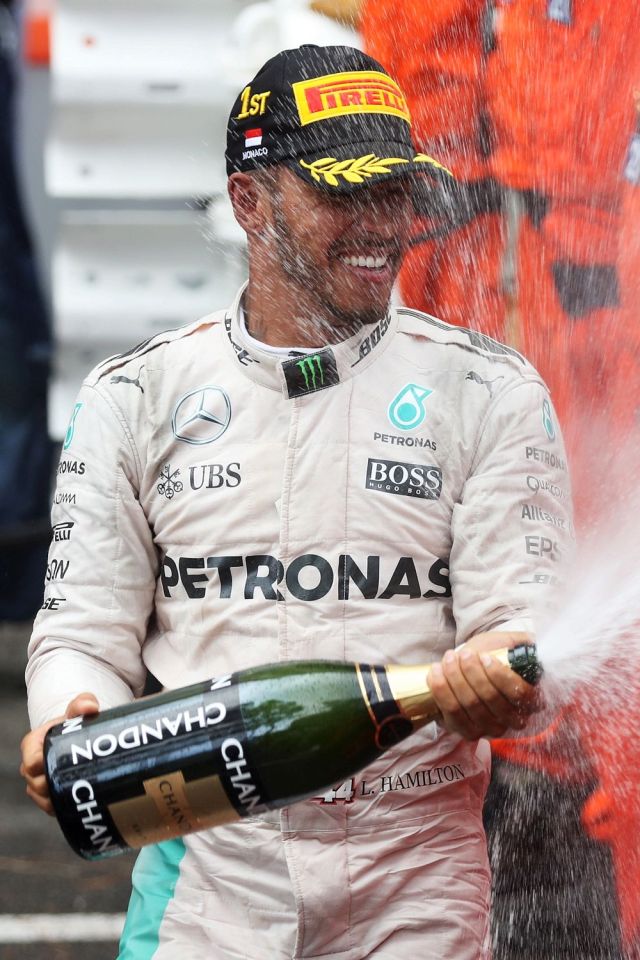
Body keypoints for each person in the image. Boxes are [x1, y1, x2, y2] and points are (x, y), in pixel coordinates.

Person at [20, 44, 571, 960]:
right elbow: (81, 629)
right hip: (210, 871)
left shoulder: (492, 392)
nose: (382, 225)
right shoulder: (135, 397)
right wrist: (72, 715)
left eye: (396, 193)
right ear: (249, 200)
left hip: (416, 872)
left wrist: (498, 673)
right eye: (344, 192)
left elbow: (524, 627)